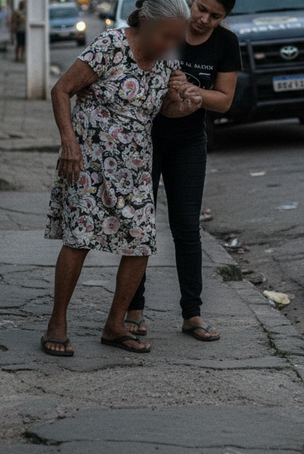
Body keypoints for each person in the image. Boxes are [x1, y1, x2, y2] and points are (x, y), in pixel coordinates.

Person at [42, 0, 202, 356]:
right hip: (88, 162)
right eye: (166, 36)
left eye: (177, 38)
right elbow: (61, 90)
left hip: (134, 167)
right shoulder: (110, 46)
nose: (170, 44)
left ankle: (115, 325)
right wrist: (69, 143)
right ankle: (57, 323)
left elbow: (162, 108)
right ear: (144, 21)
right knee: (80, 238)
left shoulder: (167, 60)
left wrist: (185, 104)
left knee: (141, 241)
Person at [124, 0, 241, 342]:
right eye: (201, 8)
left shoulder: (226, 44)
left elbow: (225, 99)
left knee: (186, 228)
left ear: (225, 18)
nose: (203, 19)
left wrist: (197, 94)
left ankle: (192, 313)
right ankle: (134, 310)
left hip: (189, 142)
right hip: (145, 138)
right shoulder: (170, 26)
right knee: (139, 226)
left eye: (215, 16)